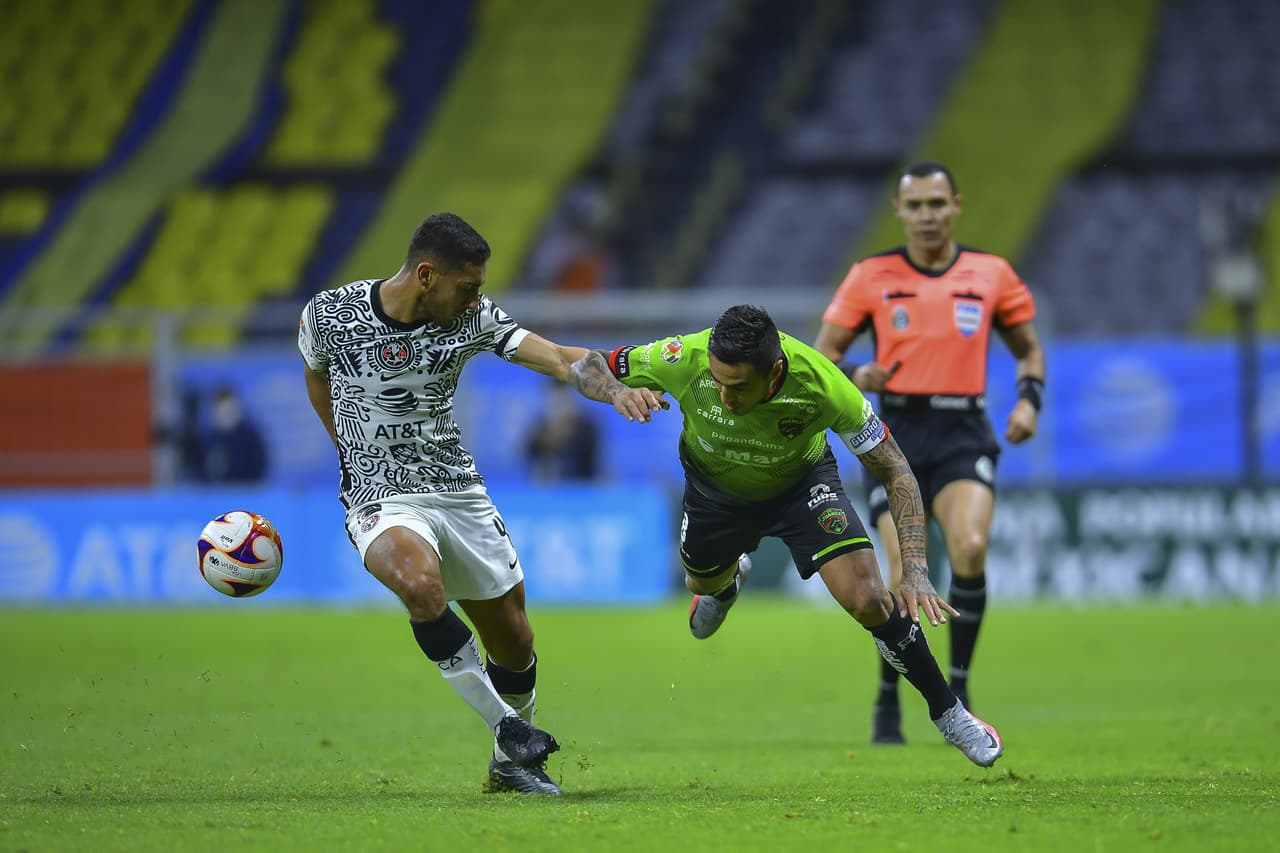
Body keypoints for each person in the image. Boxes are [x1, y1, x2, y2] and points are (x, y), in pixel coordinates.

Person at [298, 212, 664, 796]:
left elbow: (557, 356)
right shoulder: (330, 315)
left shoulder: (474, 318)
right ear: (425, 274)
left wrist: (615, 389)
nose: (476, 300)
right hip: (379, 493)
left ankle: (509, 764)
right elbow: (317, 373)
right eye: (467, 286)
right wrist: (345, 445)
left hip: (458, 491)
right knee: (419, 587)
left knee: (515, 638)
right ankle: (510, 728)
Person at [568, 304, 1004, 768]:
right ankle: (726, 585)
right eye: (717, 382)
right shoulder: (684, 356)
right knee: (700, 584)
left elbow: (894, 466)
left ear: (775, 370)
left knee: (869, 599)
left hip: (802, 486)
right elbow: (585, 364)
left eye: (738, 387)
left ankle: (951, 714)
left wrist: (916, 567)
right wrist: (617, 391)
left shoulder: (823, 384)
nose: (724, 396)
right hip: (715, 494)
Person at [813, 160, 1045, 745]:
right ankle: (889, 697)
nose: (926, 216)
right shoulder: (870, 276)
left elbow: (1028, 350)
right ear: (899, 211)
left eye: (936, 204)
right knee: (899, 573)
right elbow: (821, 359)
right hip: (898, 436)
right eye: (914, 206)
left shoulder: (991, 274)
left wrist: (1028, 402)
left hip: (965, 427)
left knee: (968, 547)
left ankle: (960, 688)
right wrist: (858, 371)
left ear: (956, 207)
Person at [525, 379, 601, 482]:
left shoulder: (586, 427)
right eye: (556, 402)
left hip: (579, 487)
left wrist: (568, 437)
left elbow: (590, 463)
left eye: (564, 401)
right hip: (547, 488)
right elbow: (528, 455)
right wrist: (547, 441)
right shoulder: (542, 426)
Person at [199, 384, 269, 482]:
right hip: (217, 493)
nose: (225, 413)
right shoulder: (209, 437)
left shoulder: (250, 435)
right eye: (221, 409)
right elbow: (203, 469)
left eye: (229, 409)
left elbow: (260, 464)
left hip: (246, 491)